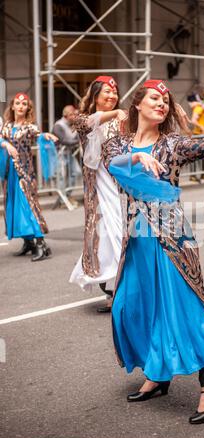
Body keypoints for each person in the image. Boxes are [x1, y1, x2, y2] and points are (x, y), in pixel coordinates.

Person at [102, 79, 204, 424]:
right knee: (131, 307)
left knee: (185, 310)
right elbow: (111, 162)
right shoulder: (118, 143)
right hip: (136, 239)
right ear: (138, 105)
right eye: (154, 98)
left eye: (165, 99)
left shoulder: (172, 144)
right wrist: (134, 156)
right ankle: (159, 373)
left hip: (172, 236)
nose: (161, 103)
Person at [69, 76, 127, 312]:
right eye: (107, 92)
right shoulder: (83, 118)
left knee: (120, 234)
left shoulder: (121, 121)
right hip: (97, 190)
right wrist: (116, 114)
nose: (112, 96)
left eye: (114, 92)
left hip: (119, 187)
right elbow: (85, 123)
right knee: (101, 237)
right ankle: (112, 288)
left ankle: (120, 290)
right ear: (95, 95)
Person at [0, 92, 57, 261]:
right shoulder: (7, 126)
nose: (20, 106)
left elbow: (39, 136)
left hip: (25, 173)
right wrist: (5, 144)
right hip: (9, 173)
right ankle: (29, 243)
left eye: (24, 104)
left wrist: (46, 136)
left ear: (28, 108)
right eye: (17, 103)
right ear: (12, 106)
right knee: (13, 207)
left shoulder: (30, 127)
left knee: (29, 207)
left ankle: (41, 244)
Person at [52, 105, 80, 205]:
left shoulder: (70, 125)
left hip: (68, 153)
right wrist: (78, 141)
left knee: (75, 172)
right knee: (61, 176)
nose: (74, 116)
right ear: (66, 115)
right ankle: (62, 198)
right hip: (59, 154)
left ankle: (66, 195)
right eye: (72, 114)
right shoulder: (58, 125)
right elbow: (64, 140)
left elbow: (75, 137)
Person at [188, 85, 204, 181]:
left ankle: (203, 174)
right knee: (195, 156)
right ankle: (193, 175)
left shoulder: (203, 109)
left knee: (202, 156)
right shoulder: (198, 108)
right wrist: (201, 127)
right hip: (198, 135)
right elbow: (193, 120)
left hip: (203, 135)